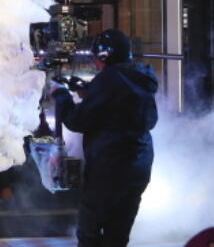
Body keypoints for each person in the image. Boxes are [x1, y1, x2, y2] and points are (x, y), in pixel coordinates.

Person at [52, 29, 158, 247]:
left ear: (104, 56)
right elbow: (118, 102)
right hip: (139, 166)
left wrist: (61, 94)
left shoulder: (109, 79)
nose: (95, 64)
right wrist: (88, 90)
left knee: (89, 233)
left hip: (109, 170)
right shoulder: (139, 76)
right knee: (117, 235)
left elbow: (76, 121)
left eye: (96, 59)